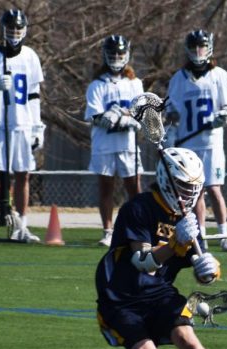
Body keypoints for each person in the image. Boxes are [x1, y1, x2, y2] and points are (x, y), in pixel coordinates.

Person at [95, 147, 227, 349]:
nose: (188, 194)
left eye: (193, 188)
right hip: (121, 297)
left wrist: (210, 270)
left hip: (159, 293)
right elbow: (143, 262)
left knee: (188, 339)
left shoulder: (188, 221)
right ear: (166, 180)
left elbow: (199, 268)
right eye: (183, 187)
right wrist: (175, 244)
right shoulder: (138, 208)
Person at [0, 9, 45, 242]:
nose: (14, 32)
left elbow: (34, 95)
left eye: (18, 28)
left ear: (25, 30)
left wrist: (37, 126)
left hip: (23, 123)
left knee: (23, 174)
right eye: (11, 28)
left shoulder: (31, 56)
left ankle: (21, 226)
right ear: (3, 30)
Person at [166, 29, 227, 252]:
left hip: (211, 142)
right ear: (188, 50)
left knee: (214, 189)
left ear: (209, 48)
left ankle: (224, 233)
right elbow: (170, 108)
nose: (199, 51)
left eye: (202, 47)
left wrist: (222, 118)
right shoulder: (179, 78)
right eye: (195, 47)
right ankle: (202, 235)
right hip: (189, 145)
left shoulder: (220, 75)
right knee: (196, 192)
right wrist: (173, 119)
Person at [85, 35, 144, 248]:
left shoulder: (135, 83)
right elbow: (94, 115)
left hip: (127, 144)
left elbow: (140, 112)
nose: (117, 57)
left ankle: (139, 228)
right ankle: (108, 231)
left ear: (127, 55)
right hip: (105, 144)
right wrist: (108, 117)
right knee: (106, 188)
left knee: (134, 188)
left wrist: (131, 119)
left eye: (120, 53)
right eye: (113, 54)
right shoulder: (97, 85)